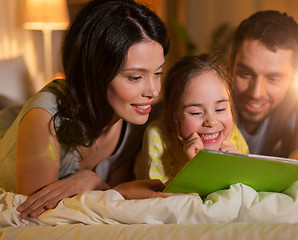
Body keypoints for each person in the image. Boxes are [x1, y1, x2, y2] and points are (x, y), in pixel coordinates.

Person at [0, 0, 178, 219]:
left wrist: (93, 182)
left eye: (158, 73)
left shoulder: (133, 119)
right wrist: (106, 188)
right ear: (95, 73)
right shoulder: (46, 119)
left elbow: (110, 195)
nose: (153, 91)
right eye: (135, 77)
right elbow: (37, 217)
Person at [135, 54, 249, 183]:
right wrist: (195, 166)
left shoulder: (233, 136)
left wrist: (237, 167)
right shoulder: (158, 135)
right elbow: (157, 193)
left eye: (220, 109)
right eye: (196, 113)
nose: (211, 122)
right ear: (172, 120)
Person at [228, 10, 298, 157]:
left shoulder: (293, 101)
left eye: (273, 79)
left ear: (294, 76)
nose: (256, 93)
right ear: (231, 62)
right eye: (246, 74)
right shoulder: (210, 96)